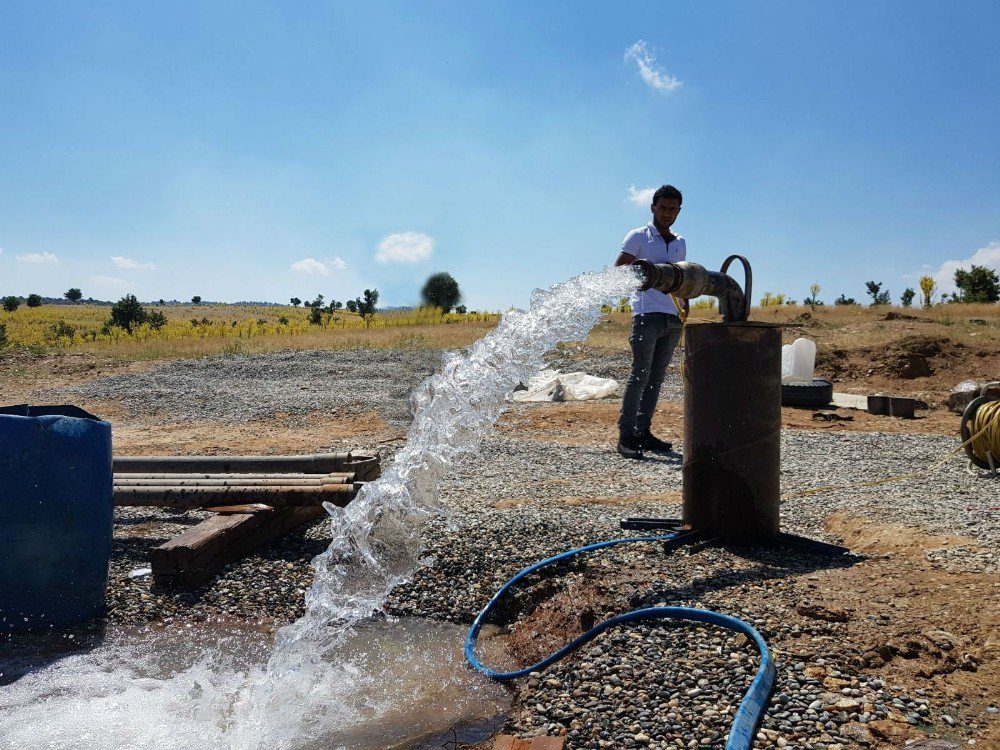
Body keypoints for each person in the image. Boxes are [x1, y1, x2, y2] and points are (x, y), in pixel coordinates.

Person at [614, 184, 689, 459]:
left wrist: (684, 310)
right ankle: (626, 437)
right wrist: (646, 276)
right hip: (647, 316)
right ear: (653, 208)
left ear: (678, 211)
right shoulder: (639, 236)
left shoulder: (680, 242)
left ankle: (643, 432)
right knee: (639, 377)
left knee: (656, 379)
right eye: (663, 208)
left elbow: (683, 280)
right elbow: (620, 271)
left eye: (673, 209)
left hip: (673, 319)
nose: (667, 214)